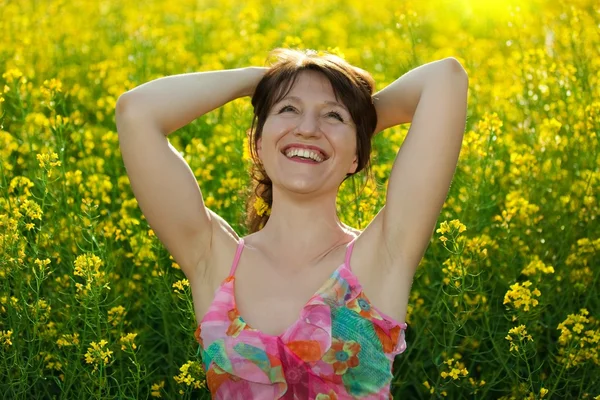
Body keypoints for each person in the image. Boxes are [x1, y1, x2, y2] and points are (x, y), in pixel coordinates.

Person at [115, 48, 468, 399]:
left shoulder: (383, 256)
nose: (308, 128)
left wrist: (355, 117)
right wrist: (263, 81)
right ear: (257, 142)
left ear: (358, 155)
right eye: (288, 109)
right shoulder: (213, 258)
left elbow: (445, 78)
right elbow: (137, 112)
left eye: (332, 116)